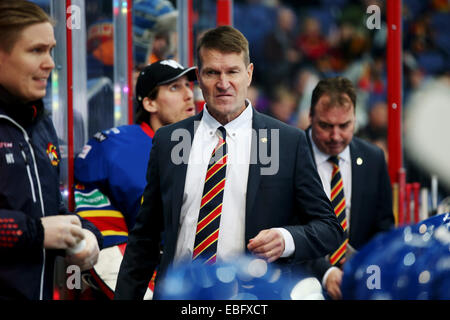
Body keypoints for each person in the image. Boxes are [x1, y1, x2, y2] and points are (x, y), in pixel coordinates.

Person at [114, 25, 344, 300]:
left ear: (248, 74)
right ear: (199, 77)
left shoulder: (287, 142)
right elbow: (145, 238)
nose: (223, 83)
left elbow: (329, 228)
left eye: (233, 71)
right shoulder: (169, 140)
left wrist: (286, 239)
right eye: (213, 72)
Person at [0, 0, 102, 300]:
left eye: (51, 50)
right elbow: (41, 226)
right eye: (35, 50)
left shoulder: (41, 124)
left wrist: (86, 233)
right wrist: (37, 232)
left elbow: (50, 211)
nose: (49, 63)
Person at [74, 59, 197, 298]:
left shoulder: (210, 143)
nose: (188, 95)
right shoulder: (113, 149)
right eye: (174, 88)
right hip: (146, 279)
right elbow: (107, 244)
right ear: (150, 103)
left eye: (188, 85)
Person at [304, 77, 394, 299]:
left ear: (355, 119)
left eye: (344, 126)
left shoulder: (373, 158)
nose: (335, 136)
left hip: (358, 284)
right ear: (310, 117)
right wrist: (325, 272)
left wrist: (366, 266)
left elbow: (383, 230)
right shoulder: (289, 153)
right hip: (301, 282)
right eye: (325, 126)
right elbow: (280, 226)